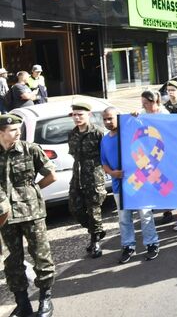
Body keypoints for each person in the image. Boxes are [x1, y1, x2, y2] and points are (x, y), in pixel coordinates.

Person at [0, 113, 56, 317]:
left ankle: (45, 300)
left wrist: (34, 191)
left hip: (32, 213)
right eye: (13, 130)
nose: (18, 133)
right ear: (1, 133)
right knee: (12, 262)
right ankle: (22, 304)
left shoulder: (30, 149)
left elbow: (51, 174)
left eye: (19, 129)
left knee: (41, 257)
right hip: (6, 217)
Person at [100, 107, 160, 263]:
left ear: (118, 118)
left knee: (145, 215)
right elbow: (104, 163)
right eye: (105, 119)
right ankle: (128, 246)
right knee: (124, 218)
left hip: (139, 181)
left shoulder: (129, 134)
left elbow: (144, 130)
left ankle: (152, 244)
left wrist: (134, 116)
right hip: (118, 185)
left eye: (110, 118)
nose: (107, 122)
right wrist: (112, 173)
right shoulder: (105, 140)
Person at [67, 101, 107, 258]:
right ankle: (97, 230)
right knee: (75, 208)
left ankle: (95, 242)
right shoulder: (72, 133)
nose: (77, 118)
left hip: (94, 176)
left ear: (88, 115)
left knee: (94, 209)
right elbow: (74, 154)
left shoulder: (97, 133)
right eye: (74, 115)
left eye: (80, 114)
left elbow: (105, 154)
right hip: (77, 175)